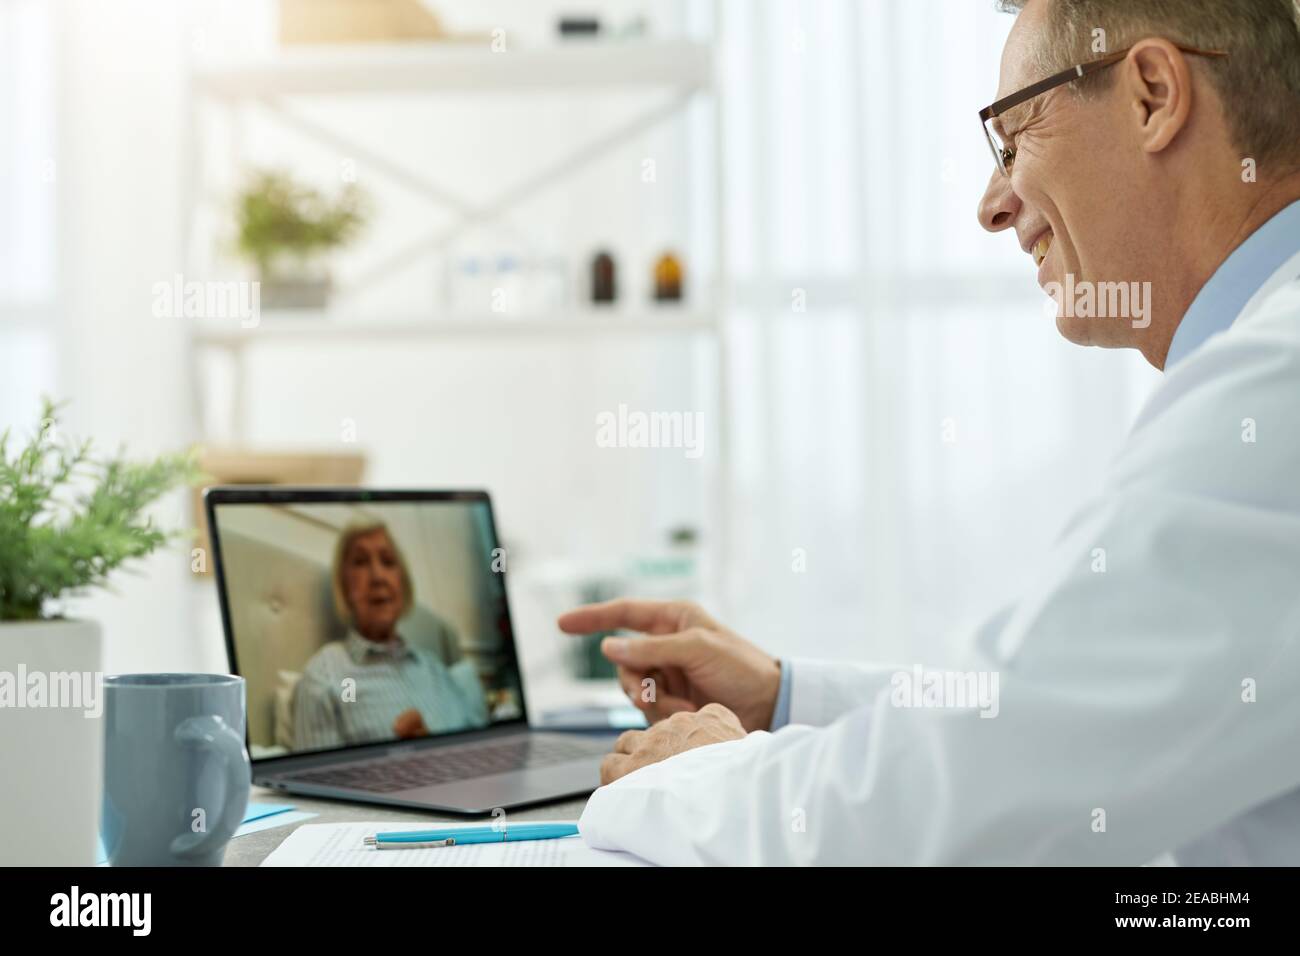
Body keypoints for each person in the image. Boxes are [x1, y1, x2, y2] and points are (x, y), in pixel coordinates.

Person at [567, 0, 1300, 865]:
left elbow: (956, 814)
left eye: (1012, 137)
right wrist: (787, 697)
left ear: (1150, 95)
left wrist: (689, 778)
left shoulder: (1271, 389)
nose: (993, 206)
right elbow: (1063, 714)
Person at [293, 521, 488, 751]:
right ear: (344, 586)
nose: (377, 577)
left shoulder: (433, 667)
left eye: (387, 561)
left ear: (402, 584)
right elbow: (317, 782)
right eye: (361, 562)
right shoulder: (327, 676)